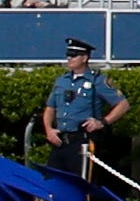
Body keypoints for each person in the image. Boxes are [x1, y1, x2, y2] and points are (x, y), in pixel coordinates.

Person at [32, 36, 130, 180]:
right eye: (68, 55)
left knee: (82, 184)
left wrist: (102, 122)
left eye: (73, 56)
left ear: (84, 58)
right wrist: (48, 129)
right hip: (60, 141)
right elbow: (50, 108)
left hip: (82, 142)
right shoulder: (62, 81)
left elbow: (123, 105)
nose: (69, 59)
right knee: (52, 185)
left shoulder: (97, 80)